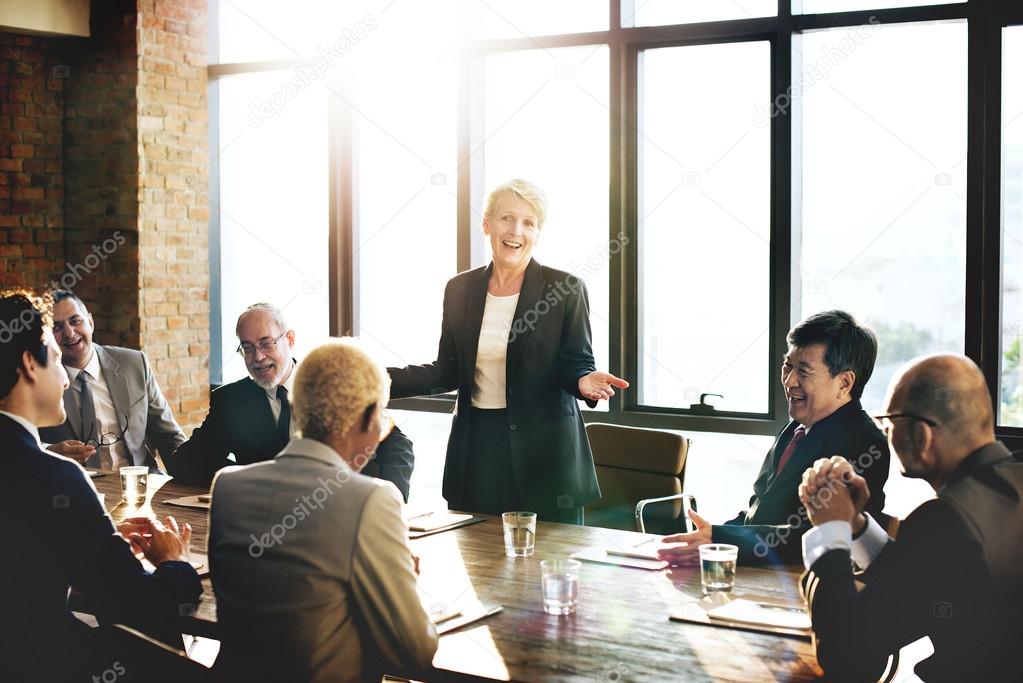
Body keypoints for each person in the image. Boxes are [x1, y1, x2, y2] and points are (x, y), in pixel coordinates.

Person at [388, 179, 628, 523]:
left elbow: (576, 362)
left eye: (529, 222)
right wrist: (370, 380)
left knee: (552, 570)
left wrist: (583, 380)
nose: (516, 230)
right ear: (487, 224)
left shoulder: (564, 289)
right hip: (478, 452)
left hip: (547, 457)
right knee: (481, 567)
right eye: (506, 218)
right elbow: (448, 370)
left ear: (538, 232)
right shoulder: (460, 289)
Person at [0, 288, 201, 682]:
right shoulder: (53, 475)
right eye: (56, 359)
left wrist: (94, 540)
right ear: (28, 364)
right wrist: (176, 562)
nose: (63, 377)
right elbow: (140, 602)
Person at [209, 339, 438, 683]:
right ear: (368, 418)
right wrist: (404, 581)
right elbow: (414, 654)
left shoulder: (227, 485)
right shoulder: (372, 500)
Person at [798, 354, 1023, 682]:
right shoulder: (1006, 488)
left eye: (887, 421)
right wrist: (854, 525)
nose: (884, 431)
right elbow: (923, 582)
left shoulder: (947, 518)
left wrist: (830, 530)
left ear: (921, 435)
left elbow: (847, 656)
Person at [658, 310, 890, 565]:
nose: (789, 381)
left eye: (804, 371)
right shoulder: (795, 429)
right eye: (787, 366)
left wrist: (723, 538)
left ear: (845, 382)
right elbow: (758, 515)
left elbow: (819, 534)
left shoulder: (864, 441)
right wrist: (705, 538)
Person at [168, 303, 415, 500]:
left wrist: (391, 501)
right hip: (263, 520)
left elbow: (397, 446)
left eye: (266, 343)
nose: (258, 357)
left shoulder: (331, 385)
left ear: (290, 340)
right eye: (248, 348)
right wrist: (245, 479)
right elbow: (184, 462)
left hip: (335, 510)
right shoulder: (231, 400)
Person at [39, 289, 185, 472]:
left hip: (139, 485)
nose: (69, 333)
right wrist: (48, 451)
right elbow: (15, 443)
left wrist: (195, 479)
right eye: (57, 327)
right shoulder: (37, 378)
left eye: (75, 321)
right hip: (75, 491)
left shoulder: (134, 364)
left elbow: (168, 436)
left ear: (90, 322)